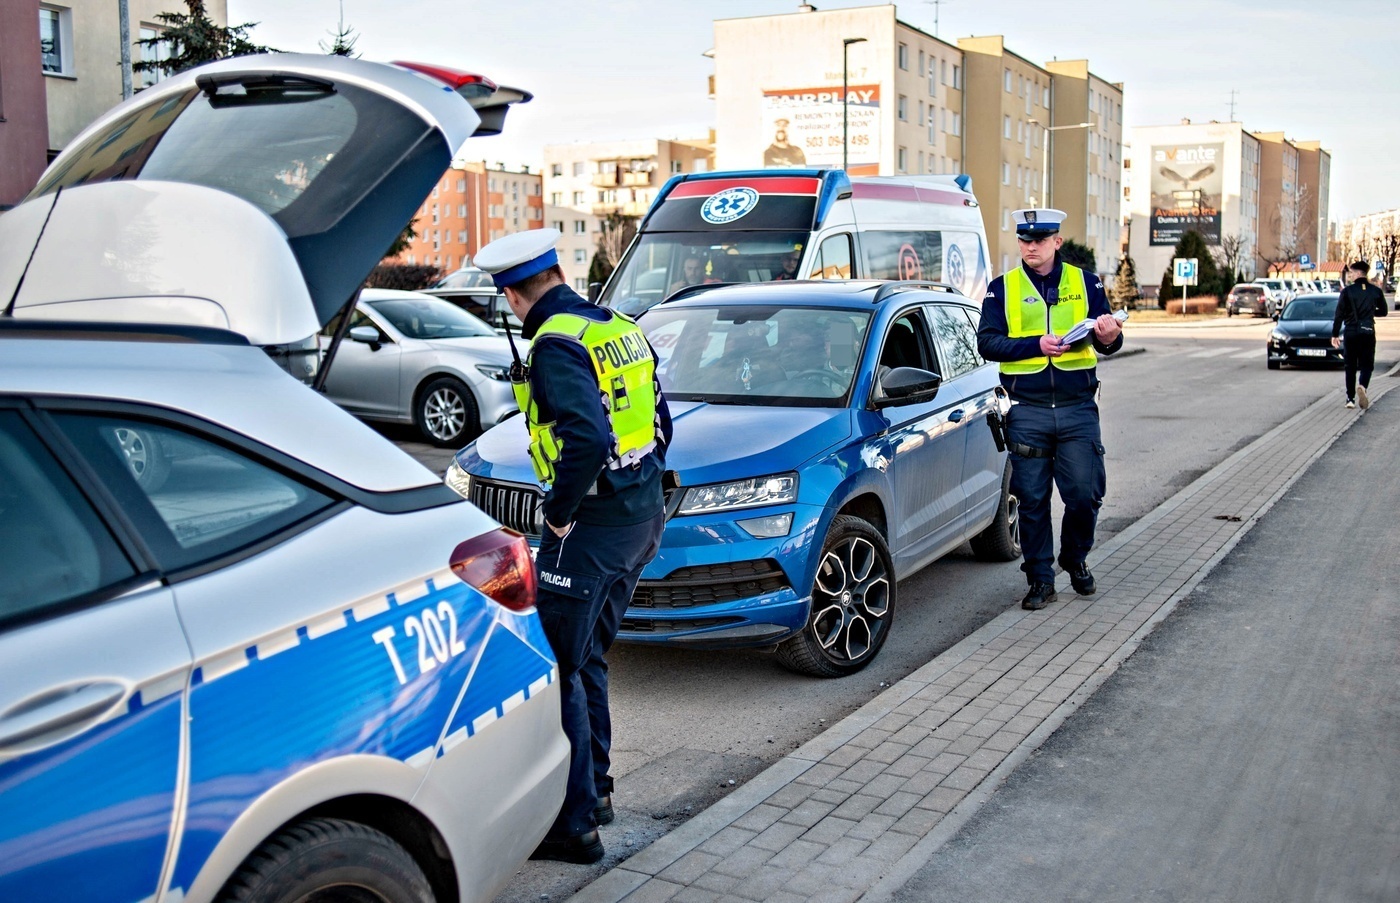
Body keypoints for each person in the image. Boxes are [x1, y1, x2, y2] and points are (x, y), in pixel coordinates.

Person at [475, 228, 672, 864]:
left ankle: (574, 824)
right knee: (587, 658)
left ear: (512, 294)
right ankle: (600, 790)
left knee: (563, 666)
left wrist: (558, 516)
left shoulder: (554, 345)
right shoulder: (613, 326)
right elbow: (659, 421)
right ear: (557, 272)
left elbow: (585, 440)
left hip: (589, 531)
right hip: (640, 518)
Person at [976, 209, 1123, 612]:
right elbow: (987, 343)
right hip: (1027, 409)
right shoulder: (1002, 288)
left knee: (1084, 494)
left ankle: (1074, 558)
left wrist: (1111, 336)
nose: (1030, 248)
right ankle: (1040, 579)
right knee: (1032, 499)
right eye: (1024, 241)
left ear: (1057, 242)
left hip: (1077, 407)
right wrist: (1034, 345)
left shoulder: (1086, 281)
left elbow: (1107, 340)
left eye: (1039, 240)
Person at [1331, 260, 1387, 409]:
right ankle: (1362, 386)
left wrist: (1335, 334)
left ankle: (1350, 399)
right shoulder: (1375, 291)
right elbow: (1384, 311)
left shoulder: (1347, 291)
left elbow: (1339, 314)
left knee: (1350, 365)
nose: (1350, 275)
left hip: (1351, 332)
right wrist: (1370, 312)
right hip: (1368, 331)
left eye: (1351, 272)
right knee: (1367, 364)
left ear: (1357, 273)